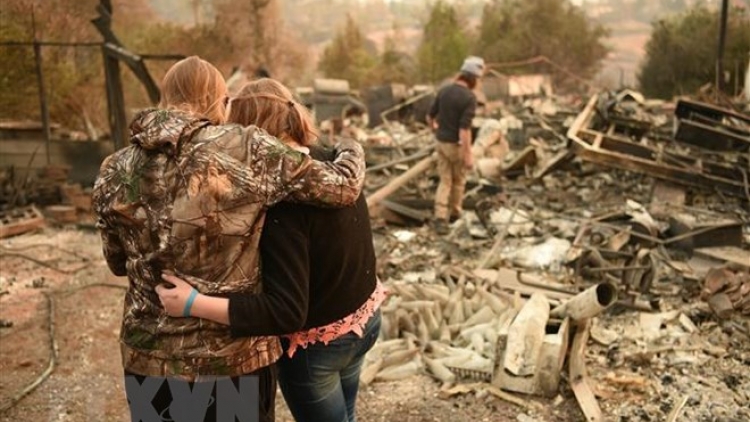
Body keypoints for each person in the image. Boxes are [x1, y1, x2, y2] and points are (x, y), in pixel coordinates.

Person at [92, 57, 365, 422]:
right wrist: (351, 148)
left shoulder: (113, 168)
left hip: (149, 357)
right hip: (233, 361)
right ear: (218, 101)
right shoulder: (246, 148)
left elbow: (115, 262)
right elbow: (342, 187)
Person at [156, 78, 386, 422]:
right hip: (365, 320)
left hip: (317, 347)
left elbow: (286, 311)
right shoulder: (333, 165)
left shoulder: (282, 205)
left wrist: (193, 303)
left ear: (248, 133)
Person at [427, 56, 485, 235]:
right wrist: (468, 155)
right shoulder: (469, 98)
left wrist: (435, 130)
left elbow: (430, 117)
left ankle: (440, 218)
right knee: (459, 181)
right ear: (473, 78)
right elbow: (464, 131)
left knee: (444, 181)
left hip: (441, 142)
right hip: (456, 145)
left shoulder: (444, 91)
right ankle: (455, 213)